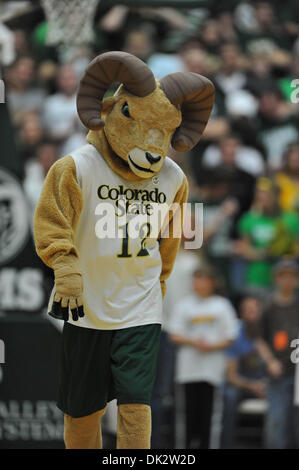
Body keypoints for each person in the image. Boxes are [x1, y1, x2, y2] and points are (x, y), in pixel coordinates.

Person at [168, 266, 238, 449]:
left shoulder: (222, 305)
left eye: (203, 279)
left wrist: (211, 346)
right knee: (187, 418)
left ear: (212, 282)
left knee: (209, 418)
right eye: (196, 279)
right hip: (187, 371)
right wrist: (194, 342)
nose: (199, 284)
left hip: (212, 372)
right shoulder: (184, 305)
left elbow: (230, 336)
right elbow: (174, 335)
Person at [256, 258, 299, 449]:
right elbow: (259, 338)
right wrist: (270, 360)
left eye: (292, 277)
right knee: (277, 421)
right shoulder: (268, 307)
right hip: (278, 372)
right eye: (283, 276)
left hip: (298, 374)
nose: (287, 281)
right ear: (276, 279)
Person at [234, 177, 299, 293]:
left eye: (268, 194)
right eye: (260, 195)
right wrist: (265, 253)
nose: (263, 198)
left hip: (285, 280)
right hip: (257, 277)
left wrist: (284, 251)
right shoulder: (249, 219)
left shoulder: (291, 219)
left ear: (277, 195)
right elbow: (242, 248)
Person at [221, 296, 266, 449]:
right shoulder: (236, 334)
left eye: (253, 311)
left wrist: (267, 385)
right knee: (229, 395)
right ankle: (227, 444)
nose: (250, 315)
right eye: (246, 311)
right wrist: (252, 386)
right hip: (244, 384)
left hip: (269, 385)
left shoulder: (271, 332)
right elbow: (231, 376)